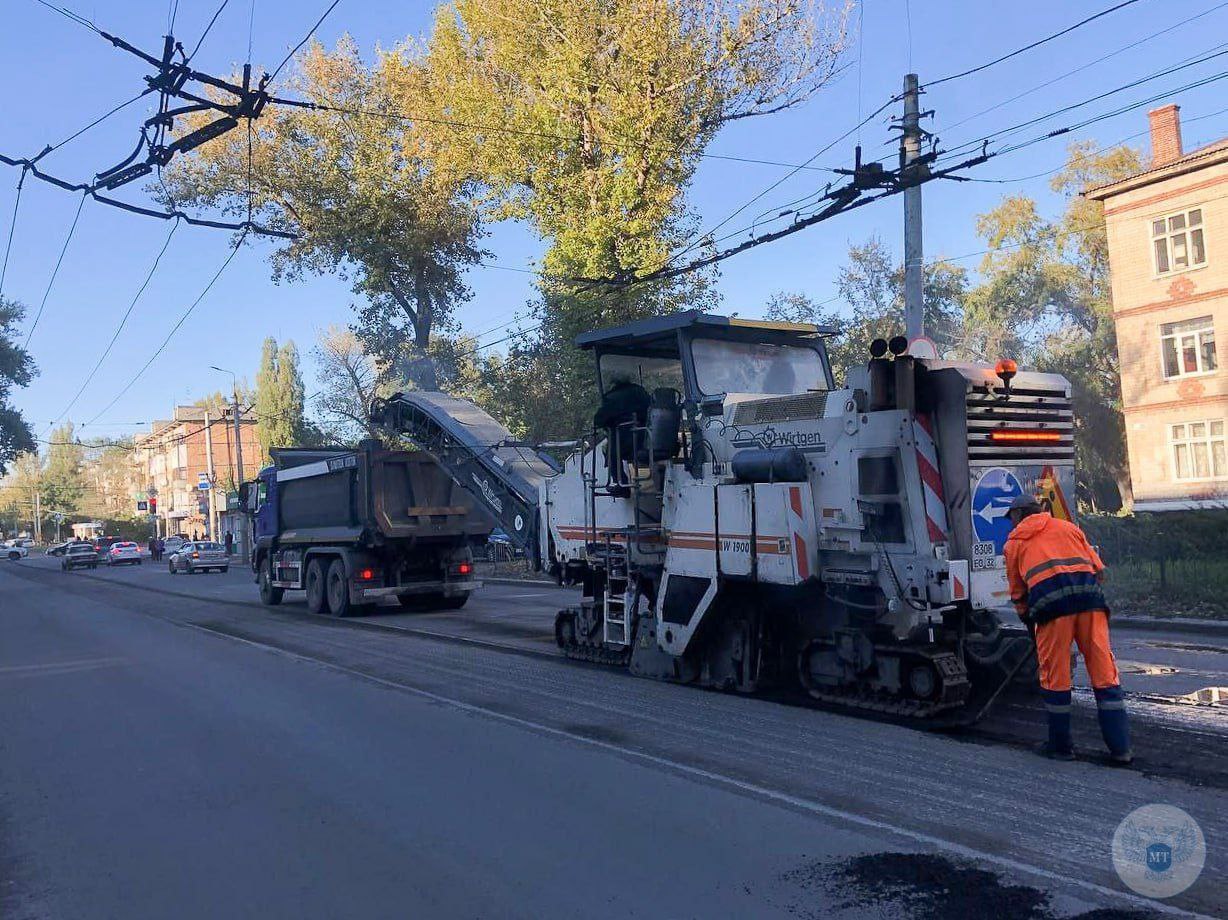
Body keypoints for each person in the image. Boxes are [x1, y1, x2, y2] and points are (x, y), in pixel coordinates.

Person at [1004, 495, 1131, 764]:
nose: (1010, 523)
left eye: (1011, 517)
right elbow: (1098, 570)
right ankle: (1121, 749)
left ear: (1019, 514)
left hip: (1052, 613)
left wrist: (1027, 620)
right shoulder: (1069, 528)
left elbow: (1018, 593)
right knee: (1105, 673)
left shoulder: (1014, 543)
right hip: (1091, 605)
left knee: (1055, 677)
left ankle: (1061, 748)